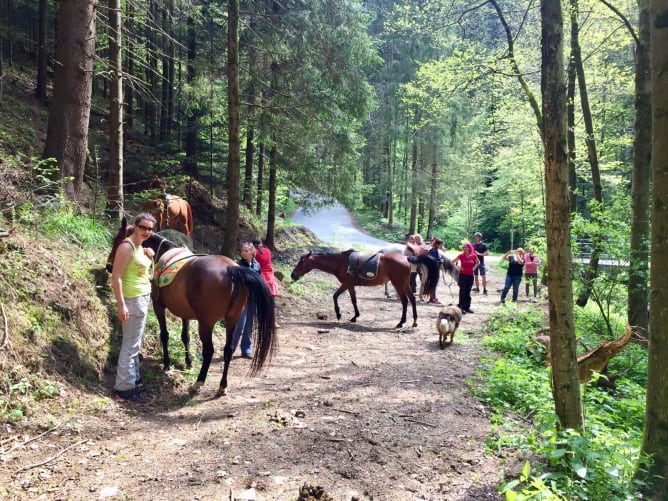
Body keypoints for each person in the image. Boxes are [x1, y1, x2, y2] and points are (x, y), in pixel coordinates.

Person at [110, 213, 157, 404]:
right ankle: (123, 389)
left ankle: (134, 380)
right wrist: (121, 304)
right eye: (143, 227)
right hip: (132, 300)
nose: (146, 231)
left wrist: (149, 256)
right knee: (130, 345)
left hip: (143, 298)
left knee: (135, 344)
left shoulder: (139, 248)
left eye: (149, 229)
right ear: (135, 227)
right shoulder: (126, 247)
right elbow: (116, 277)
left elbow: (146, 273)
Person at [230, 242, 261, 359]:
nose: (243, 253)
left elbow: (259, 281)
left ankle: (246, 349)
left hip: (253, 299)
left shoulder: (257, 265)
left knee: (250, 325)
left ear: (252, 252)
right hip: (241, 299)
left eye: (246, 250)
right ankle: (231, 348)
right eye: (242, 250)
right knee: (239, 325)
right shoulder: (238, 265)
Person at [252, 237, 280, 327]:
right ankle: (274, 322)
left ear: (253, 245)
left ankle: (260, 322)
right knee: (272, 302)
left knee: (260, 302)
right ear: (261, 243)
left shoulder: (254, 253)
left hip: (261, 276)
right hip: (270, 276)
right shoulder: (268, 251)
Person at [451, 241, 480, 314]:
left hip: (470, 275)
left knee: (468, 292)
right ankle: (461, 307)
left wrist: (474, 269)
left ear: (469, 248)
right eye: (463, 247)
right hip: (463, 275)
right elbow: (452, 262)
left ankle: (467, 307)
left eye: (465, 247)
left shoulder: (473, 255)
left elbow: (478, 262)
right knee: (462, 291)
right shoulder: (461, 255)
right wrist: (457, 268)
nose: (464, 248)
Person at [428, 238, 444, 304]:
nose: (442, 246)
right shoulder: (434, 251)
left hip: (435, 269)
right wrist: (441, 261)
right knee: (433, 284)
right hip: (433, 270)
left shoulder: (435, 250)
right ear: (437, 244)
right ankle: (432, 298)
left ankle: (433, 297)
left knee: (434, 284)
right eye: (441, 245)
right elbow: (433, 261)